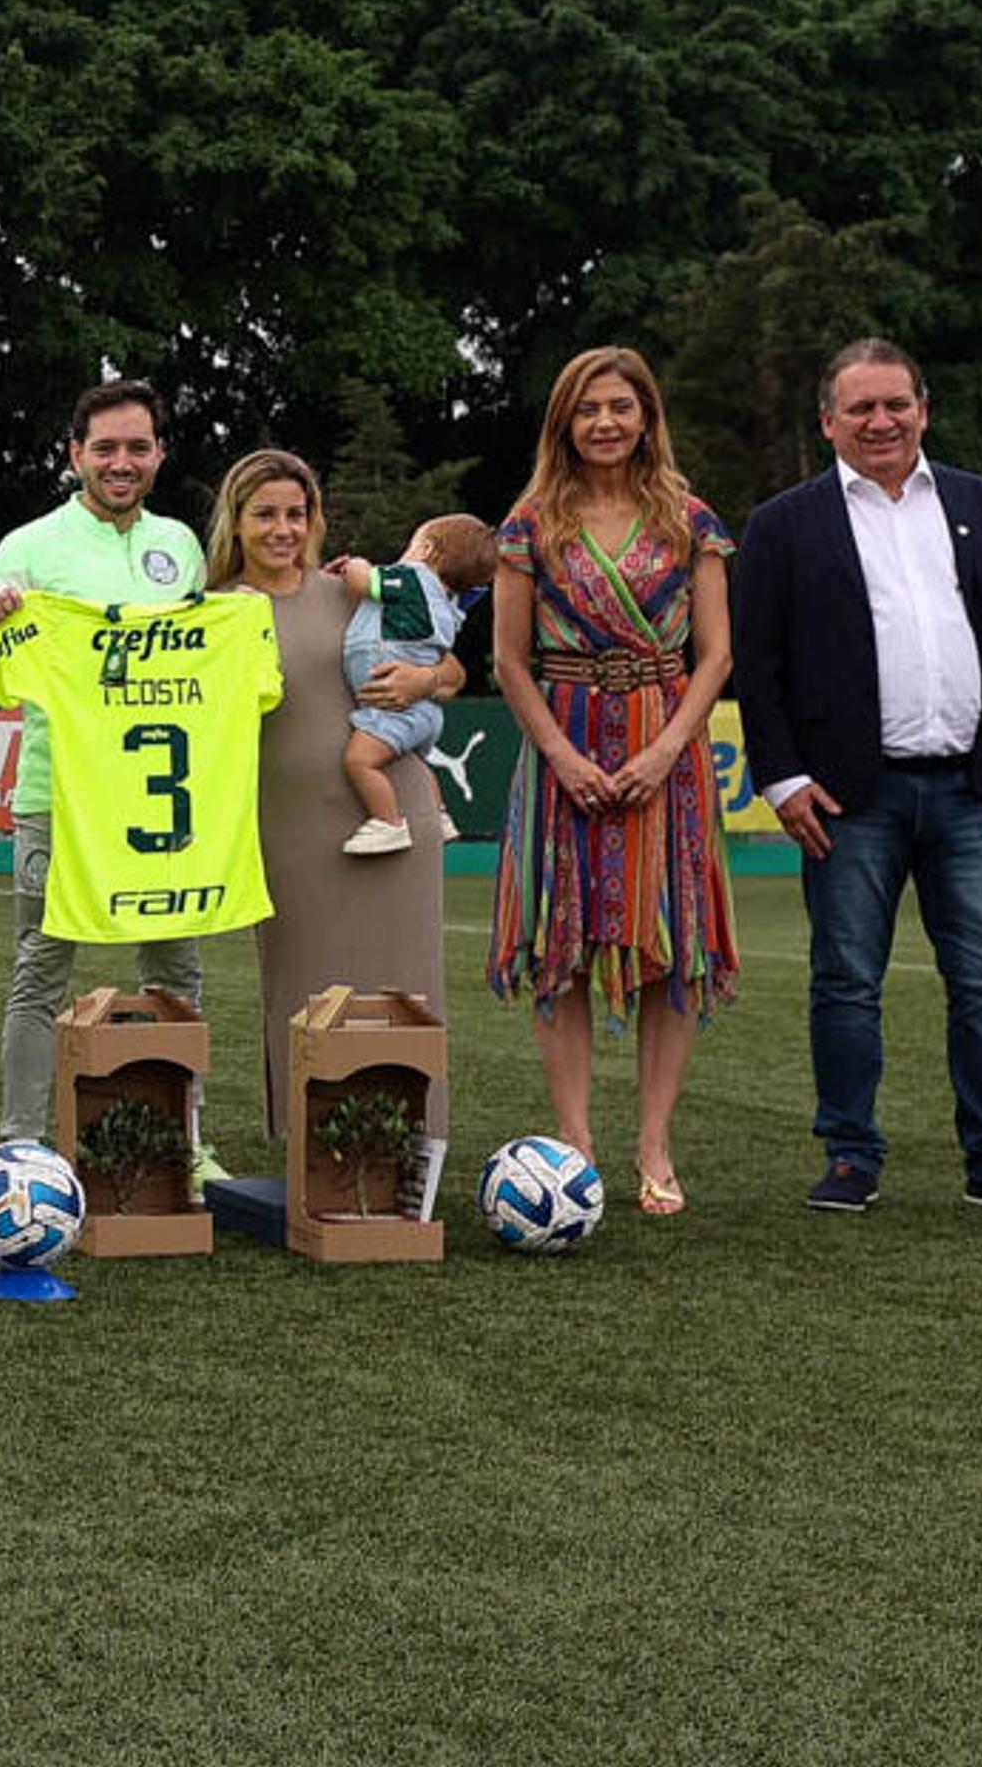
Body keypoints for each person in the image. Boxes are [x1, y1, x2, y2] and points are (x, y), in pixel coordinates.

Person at [738, 340, 982, 1220]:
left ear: (923, 410)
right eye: (859, 408)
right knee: (848, 979)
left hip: (973, 790)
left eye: (895, 404)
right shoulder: (785, 523)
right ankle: (852, 1156)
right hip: (849, 797)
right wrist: (781, 778)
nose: (880, 421)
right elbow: (759, 660)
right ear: (828, 422)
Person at [488, 345, 737, 1215]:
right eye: (588, 408)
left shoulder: (689, 519)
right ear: (565, 420)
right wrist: (558, 752)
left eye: (620, 407)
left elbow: (716, 654)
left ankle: (655, 1145)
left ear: (646, 417)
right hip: (563, 743)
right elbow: (508, 660)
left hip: (664, 746)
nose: (604, 422)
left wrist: (667, 748)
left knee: (671, 941)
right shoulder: (528, 524)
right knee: (562, 943)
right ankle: (576, 1145)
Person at [0, 379, 209, 1148]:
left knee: (177, 974)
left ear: (160, 455)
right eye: (105, 449)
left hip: (159, 801)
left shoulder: (181, 547)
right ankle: (21, 1146)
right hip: (55, 798)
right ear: (75, 456)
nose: (121, 462)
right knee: (39, 975)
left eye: (137, 447)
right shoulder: (28, 548)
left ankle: (183, 1144)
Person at [203, 450, 465, 1152]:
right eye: (265, 514)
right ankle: (318, 1164)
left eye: (296, 513)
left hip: (391, 820)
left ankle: (412, 1160)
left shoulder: (355, 590)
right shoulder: (214, 612)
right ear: (237, 520)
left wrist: (422, 678)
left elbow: (455, 667)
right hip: (288, 830)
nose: (282, 529)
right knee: (303, 996)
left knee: (404, 991)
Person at [334, 513, 495, 855]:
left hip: (393, 710)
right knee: (418, 767)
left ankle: (388, 823)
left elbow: (361, 580)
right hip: (423, 712)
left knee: (359, 761)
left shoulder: (413, 580)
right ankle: (438, 816)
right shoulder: (450, 605)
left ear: (425, 550)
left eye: (410, 545)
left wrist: (355, 565)